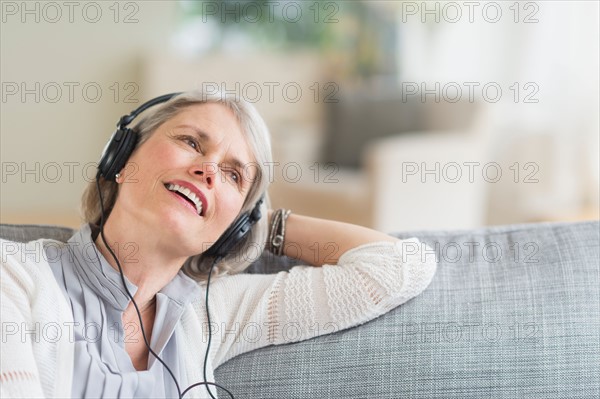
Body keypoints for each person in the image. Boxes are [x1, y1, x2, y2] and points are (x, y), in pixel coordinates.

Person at [0, 91, 437, 398]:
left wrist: (257, 224)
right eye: (190, 142)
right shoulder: (14, 276)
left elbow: (399, 266)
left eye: (233, 175)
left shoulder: (211, 316)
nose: (208, 169)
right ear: (121, 158)